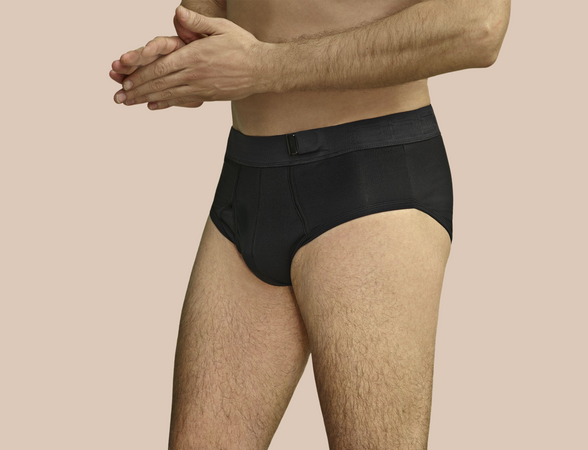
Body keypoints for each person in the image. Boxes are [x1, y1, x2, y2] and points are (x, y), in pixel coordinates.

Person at [109, 1, 510, 448]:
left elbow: (479, 25)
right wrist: (189, 60)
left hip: (367, 178)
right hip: (247, 177)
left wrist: (261, 66)